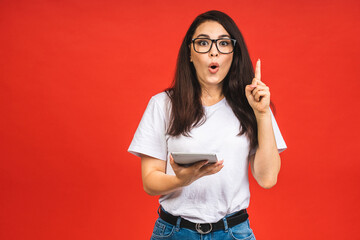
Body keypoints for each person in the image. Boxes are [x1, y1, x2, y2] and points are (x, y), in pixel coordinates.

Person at [128, 10, 286, 240]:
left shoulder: (253, 105)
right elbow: (150, 182)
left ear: (234, 53)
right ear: (190, 54)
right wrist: (181, 180)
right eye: (203, 43)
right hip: (175, 232)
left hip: (234, 233)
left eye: (223, 43)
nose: (214, 51)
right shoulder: (162, 105)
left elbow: (268, 178)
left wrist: (262, 114)